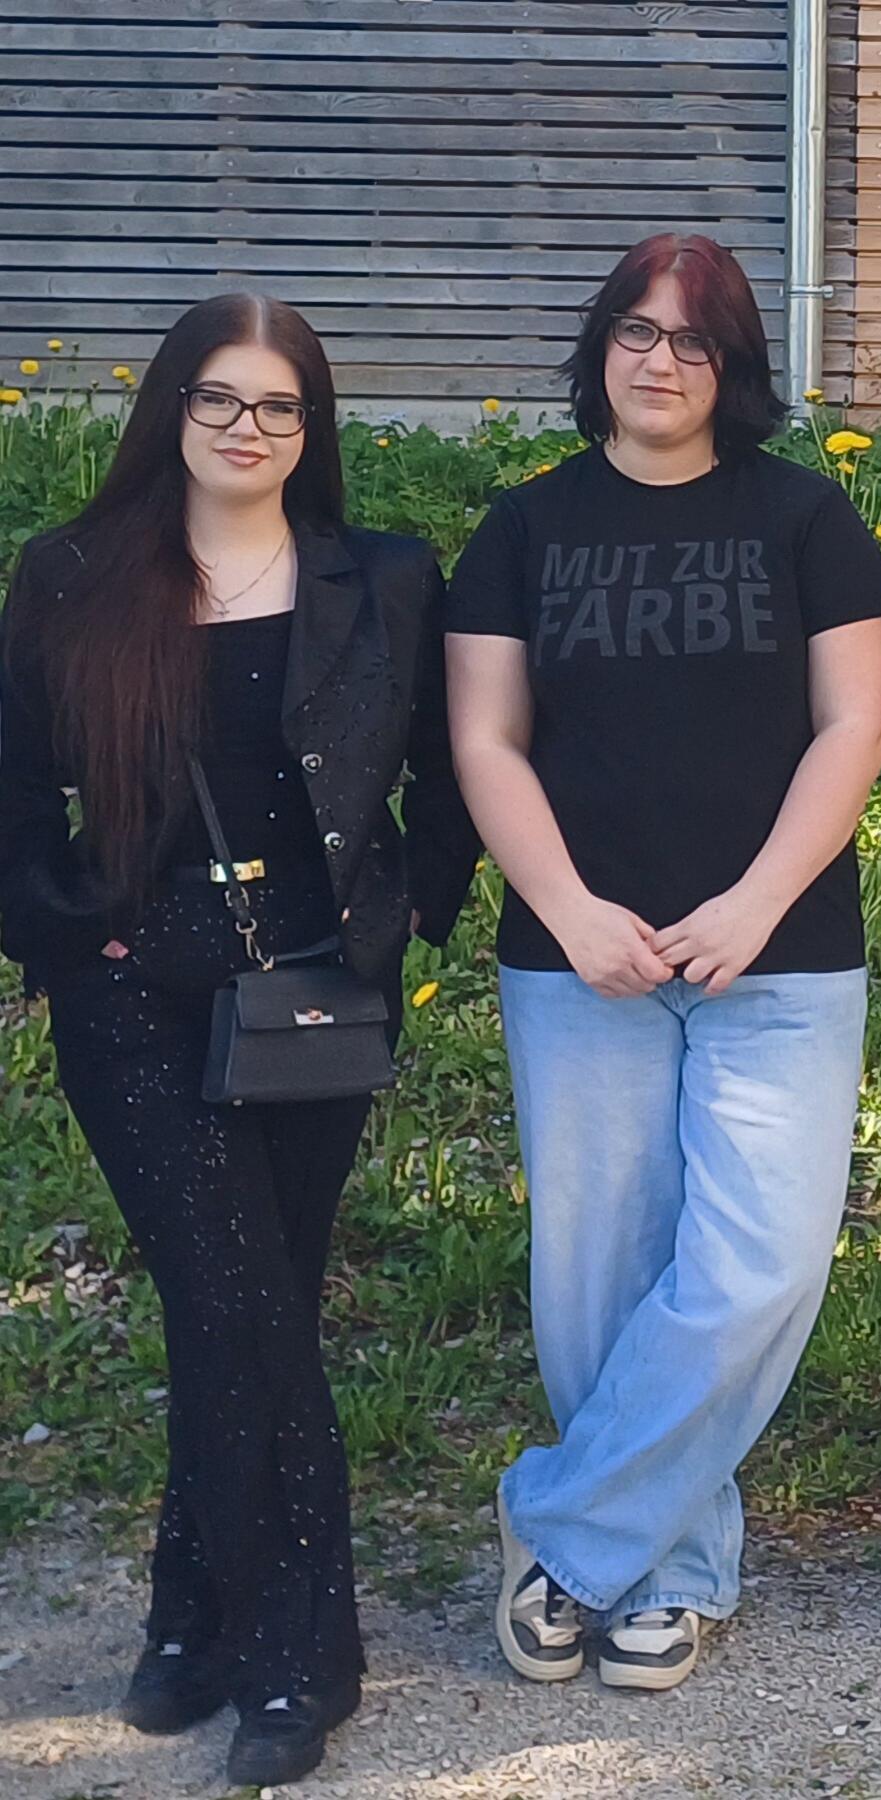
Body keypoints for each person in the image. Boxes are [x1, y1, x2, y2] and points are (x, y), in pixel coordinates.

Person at [0, 294, 476, 1784]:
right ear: (173, 408)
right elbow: (13, 785)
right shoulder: (74, 575)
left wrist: (412, 917)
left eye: (278, 405)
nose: (247, 429)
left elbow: (448, 767)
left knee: (250, 1305)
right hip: (137, 999)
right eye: (219, 399)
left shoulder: (380, 578)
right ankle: (301, 1653)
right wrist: (68, 941)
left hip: (313, 994)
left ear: (309, 426)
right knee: (233, 1300)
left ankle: (191, 1612)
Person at [445, 233, 881, 1693]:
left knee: (760, 1266)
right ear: (601, 351)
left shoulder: (806, 515)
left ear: (733, 364)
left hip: (782, 954)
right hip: (579, 959)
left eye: (693, 339)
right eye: (636, 333)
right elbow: (484, 740)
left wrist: (759, 900)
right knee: (599, 1276)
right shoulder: (525, 527)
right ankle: (671, 1572)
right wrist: (570, 909)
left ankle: (563, 1529)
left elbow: (855, 726)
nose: (660, 361)